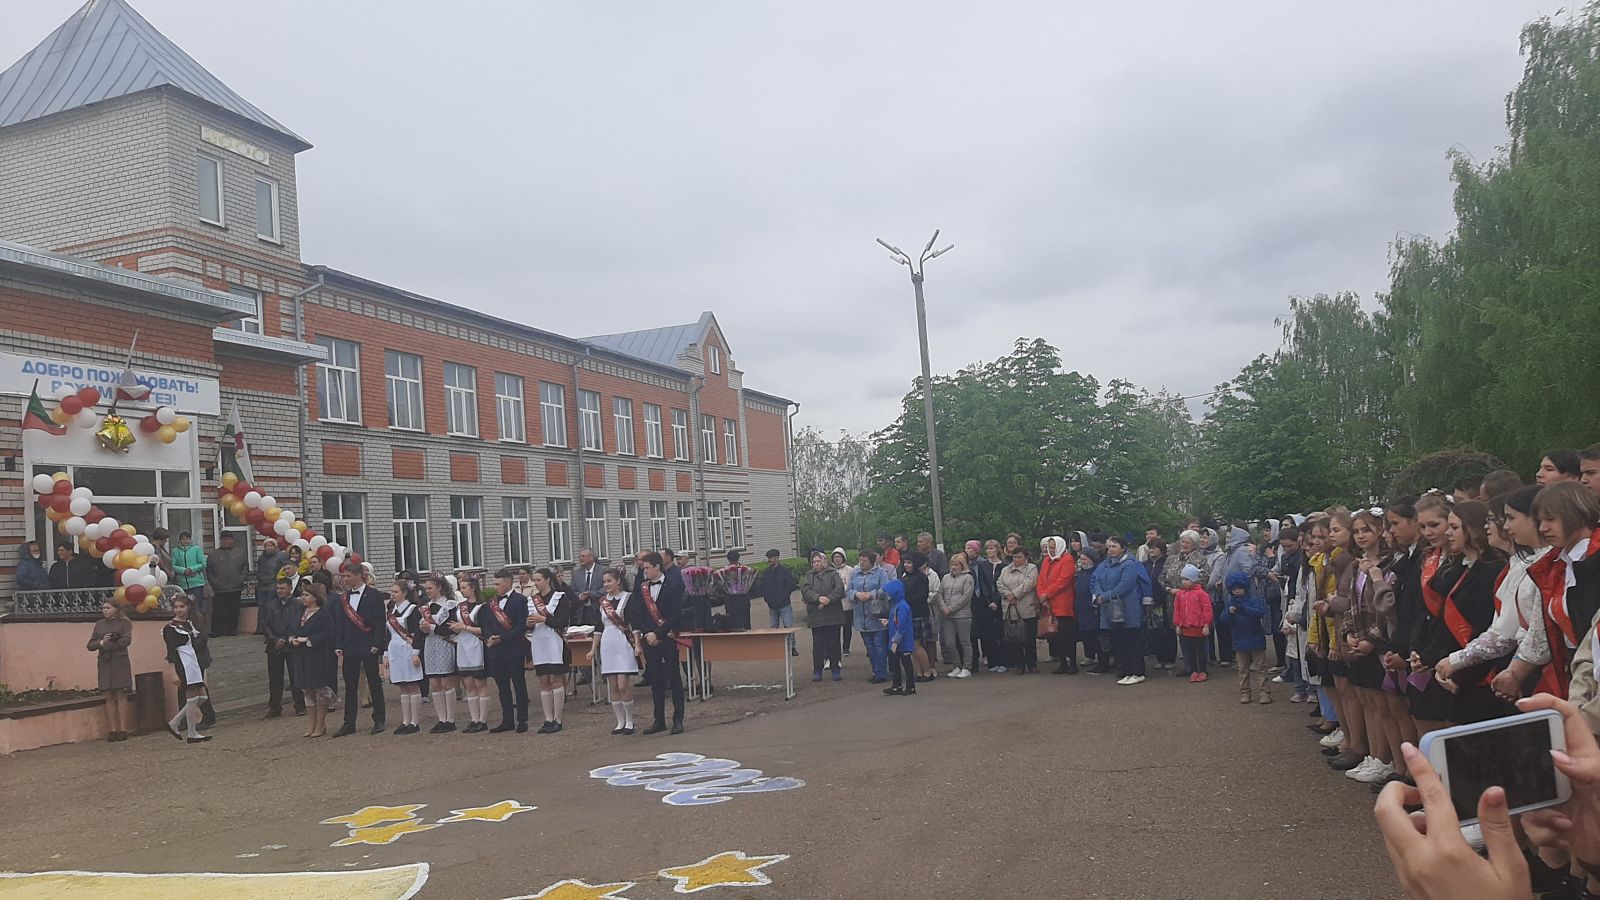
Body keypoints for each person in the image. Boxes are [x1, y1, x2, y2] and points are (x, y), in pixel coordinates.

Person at [626, 552, 686, 734]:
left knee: (674, 678)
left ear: (657, 567)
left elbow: (676, 614)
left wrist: (658, 633)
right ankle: (659, 719)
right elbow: (638, 614)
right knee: (655, 679)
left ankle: (678, 719)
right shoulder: (642, 588)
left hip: (667, 637)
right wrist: (648, 633)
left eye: (647, 568)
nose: (645, 571)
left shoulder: (673, 585)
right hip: (649, 639)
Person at [332, 562, 386, 736]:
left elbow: (380, 621)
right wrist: (338, 645)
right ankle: (349, 722)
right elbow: (339, 623)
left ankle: (379, 719)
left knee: (374, 683)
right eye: (344, 576)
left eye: (348, 576)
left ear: (358, 576)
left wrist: (377, 643)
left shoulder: (374, 595)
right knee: (350, 686)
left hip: (369, 645)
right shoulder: (344, 598)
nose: (345, 579)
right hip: (349, 646)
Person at [526, 566, 574, 734]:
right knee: (543, 681)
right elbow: (529, 624)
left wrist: (544, 619)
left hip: (554, 642)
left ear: (547, 580)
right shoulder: (532, 600)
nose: (536, 583)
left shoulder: (559, 597)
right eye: (534, 580)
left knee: (556, 679)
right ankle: (547, 719)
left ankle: (558, 719)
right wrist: (529, 624)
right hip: (539, 642)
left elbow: (563, 622)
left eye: (538, 580)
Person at [1093, 536, 1145, 685]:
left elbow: (1125, 586)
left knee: (1132, 641)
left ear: (1123, 548)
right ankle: (1127, 671)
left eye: (1114, 546)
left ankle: (1138, 672)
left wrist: (1105, 596)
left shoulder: (1129, 564)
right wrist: (1099, 594)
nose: (1110, 549)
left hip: (1127, 608)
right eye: (1109, 546)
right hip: (1110, 608)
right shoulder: (1106, 564)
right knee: (1119, 642)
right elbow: (1097, 580)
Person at [485, 568, 531, 733]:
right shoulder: (492, 603)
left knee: (519, 685)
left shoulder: (520, 600)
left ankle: (522, 720)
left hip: (514, 649)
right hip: (496, 651)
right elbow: (488, 623)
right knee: (502, 688)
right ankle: (507, 720)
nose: (495, 587)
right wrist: (491, 636)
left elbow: (521, 626)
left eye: (497, 584)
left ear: (507, 583)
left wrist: (503, 638)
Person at [289, 581, 337, 739]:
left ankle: (321, 724)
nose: (303, 597)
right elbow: (291, 628)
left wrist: (309, 639)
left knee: (318, 688)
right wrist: (292, 639)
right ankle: (311, 724)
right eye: (302, 595)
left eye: (306, 595)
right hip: (300, 655)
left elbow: (328, 633)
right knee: (306, 689)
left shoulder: (323, 614)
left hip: (317, 655)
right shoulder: (299, 612)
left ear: (315, 597)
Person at [595, 568, 640, 734]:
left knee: (623, 685)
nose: (606, 584)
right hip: (608, 643)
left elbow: (634, 624)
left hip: (623, 641)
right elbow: (598, 627)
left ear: (618, 581)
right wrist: (593, 649)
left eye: (609, 581)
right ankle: (620, 721)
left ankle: (630, 720)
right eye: (604, 582)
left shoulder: (628, 598)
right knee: (612, 685)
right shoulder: (602, 602)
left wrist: (637, 645)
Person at [163, 594, 211, 744]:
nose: (179, 610)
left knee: (202, 697)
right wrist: (173, 672)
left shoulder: (189, 624)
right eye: (176, 607)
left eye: (182, 606)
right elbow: (171, 651)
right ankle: (192, 733)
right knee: (191, 697)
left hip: (193, 662)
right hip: (183, 663)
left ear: (188, 607)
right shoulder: (170, 628)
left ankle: (175, 722)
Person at [261, 571, 306, 718]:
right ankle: (275, 706)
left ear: (290, 589)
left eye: (282, 588)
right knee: (275, 678)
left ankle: (299, 705)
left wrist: (286, 639)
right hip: (274, 645)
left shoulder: (298, 605)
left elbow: (298, 623)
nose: (279, 591)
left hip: (291, 644)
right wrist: (274, 639)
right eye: (278, 588)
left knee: (295, 676)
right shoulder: (270, 605)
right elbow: (264, 624)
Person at [384, 578, 425, 735]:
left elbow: (417, 633)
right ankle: (405, 720)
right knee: (402, 686)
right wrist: (386, 655)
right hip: (395, 650)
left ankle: (415, 722)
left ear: (405, 593)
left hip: (408, 649)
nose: (393, 594)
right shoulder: (391, 610)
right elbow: (387, 634)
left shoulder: (413, 610)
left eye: (396, 591)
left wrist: (416, 653)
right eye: (392, 591)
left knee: (412, 685)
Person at [1220, 572, 1270, 704]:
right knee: (1242, 669)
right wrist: (1229, 613)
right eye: (1234, 589)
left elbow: (1259, 613)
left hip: (1256, 638)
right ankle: (1245, 692)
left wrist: (1243, 609)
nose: (1237, 591)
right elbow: (1223, 620)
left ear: (1245, 587)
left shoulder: (1254, 600)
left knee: (1261, 668)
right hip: (1239, 639)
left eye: (1239, 588)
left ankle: (1264, 692)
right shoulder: (1230, 603)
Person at [87, 600, 132, 741]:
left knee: (121, 693)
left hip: (119, 661)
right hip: (105, 661)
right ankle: (112, 729)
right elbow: (90, 645)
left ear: (115, 609)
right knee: (108, 694)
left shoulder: (124, 623)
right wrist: (101, 642)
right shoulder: (99, 624)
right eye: (103, 608)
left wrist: (111, 642)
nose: (105, 610)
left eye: (108, 608)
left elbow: (126, 641)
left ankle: (123, 728)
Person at [452, 575, 491, 733]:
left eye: (464, 587)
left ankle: (483, 719)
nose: (461, 590)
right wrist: (455, 628)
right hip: (463, 646)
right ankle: (474, 719)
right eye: (460, 587)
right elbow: (456, 625)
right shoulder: (459, 607)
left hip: (477, 646)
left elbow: (485, 629)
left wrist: (465, 627)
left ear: (473, 588)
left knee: (480, 684)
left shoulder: (482, 607)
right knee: (468, 684)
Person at [801, 551, 847, 682]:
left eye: (818, 561)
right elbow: (805, 591)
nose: (816, 564)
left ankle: (835, 669)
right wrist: (818, 598)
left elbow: (840, 589)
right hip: (816, 615)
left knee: (834, 643)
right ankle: (817, 670)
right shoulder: (809, 576)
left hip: (833, 614)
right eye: (814, 562)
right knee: (818, 645)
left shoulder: (833, 573)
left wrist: (829, 599)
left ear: (824, 561)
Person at [850, 549, 892, 684]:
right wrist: (856, 594)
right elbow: (848, 590)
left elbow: (886, 589)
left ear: (872, 562)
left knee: (879, 645)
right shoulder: (854, 573)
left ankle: (882, 673)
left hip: (876, 615)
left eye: (865, 561)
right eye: (860, 560)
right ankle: (875, 671)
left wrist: (871, 594)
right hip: (861, 616)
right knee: (869, 647)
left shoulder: (881, 573)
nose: (861, 563)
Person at [1037, 536, 1077, 675]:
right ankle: (1062, 663)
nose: (1051, 550)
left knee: (1067, 635)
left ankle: (1072, 663)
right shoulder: (1047, 560)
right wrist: (1042, 596)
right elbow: (1041, 579)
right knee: (1056, 636)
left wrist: (1046, 594)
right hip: (1048, 603)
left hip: (1063, 603)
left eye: (1053, 547)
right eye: (1050, 547)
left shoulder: (1067, 559)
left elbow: (1063, 581)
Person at [997, 547, 1040, 675]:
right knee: (1015, 639)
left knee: (1029, 638)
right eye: (1015, 557)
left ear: (1026, 558)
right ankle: (1019, 665)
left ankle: (1032, 663)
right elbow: (999, 584)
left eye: (1019, 557)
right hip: (1010, 609)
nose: (1016, 559)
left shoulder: (1032, 568)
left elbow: (1029, 584)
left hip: (1027, 608)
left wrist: (1015, 594)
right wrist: (1008, 595)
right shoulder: (1005, 570)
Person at [936, 551, 974, 678]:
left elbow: (966, 597)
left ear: (962, 565)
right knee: (949, 642)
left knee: (965, 642)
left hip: (962, 615)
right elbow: (939, 593)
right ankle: (956, 665)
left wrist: (951, 608)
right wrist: (943, 607)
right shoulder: (946, 578)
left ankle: (967, 667)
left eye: (956, 565)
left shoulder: (968, 578)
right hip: (947, 615)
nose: (953, 567)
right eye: (952, 564)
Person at [1172, 565, 1212, 682]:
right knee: (1189, 652)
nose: (1184, 582)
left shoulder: (1202, 594)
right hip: (1185, 628)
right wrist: (1177, 625)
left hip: (1199, 628)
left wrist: (1206, 624)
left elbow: (1207, 609)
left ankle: (1203, 670)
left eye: (1187, 579)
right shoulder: (1180, 594)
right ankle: (1194, 670)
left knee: (1201, 652)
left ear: (1194, 579)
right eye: (1183, 579)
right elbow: (1177, 610)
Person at [204, 532, 247, 637]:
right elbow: (209, 571)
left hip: (236, 587)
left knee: (234, 609)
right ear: (220, 541)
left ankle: (231, 630)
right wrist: (215, 582)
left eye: (228, 539)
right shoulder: (213, 555)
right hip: (219, 588)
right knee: (218, 610)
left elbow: (245, 567)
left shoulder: (240, 553)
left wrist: (241, 579)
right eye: (224, 539)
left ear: (232, 540)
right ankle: (217, 630)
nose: (226, 541)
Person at [759, 549, 799, 656]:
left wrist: (783, 597)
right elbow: (763, 587)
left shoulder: (785, 571)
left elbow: (790, 585)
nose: (769, 560)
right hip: (772, 605)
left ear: (777, 558)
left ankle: (792, 647)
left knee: (788, 626)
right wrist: (767, 599)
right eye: (768, 558)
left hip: (784, 604)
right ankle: (775, 647)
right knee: (773, 627)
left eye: (771, 558)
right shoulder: (766, 573)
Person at [1143, 538, 1175, 670]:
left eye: (1154, 548)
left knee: (1167, 630)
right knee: (1154, 631)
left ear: (1161, 550)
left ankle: (1170, 658)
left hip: (1164, 601)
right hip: (1149, 602)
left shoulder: (1167, 563)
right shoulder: (1145, 564)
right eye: (1150, 548)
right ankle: (1160, 658)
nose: (1151, 550)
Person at [882, 579, 916, 696]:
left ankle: (910, 686)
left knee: (906, 664)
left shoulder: (902, 607)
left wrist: (895, 641)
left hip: (903, 642)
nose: (887, 595)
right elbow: (896, 622)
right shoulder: (895, 605)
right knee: (894, 664)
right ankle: (897, 686)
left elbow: (902, 626)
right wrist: (888, 622)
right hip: (895, 640)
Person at [1073, 539, 1102, 673]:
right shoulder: (1081, 572)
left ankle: (1100, 659)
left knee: (1096, 634)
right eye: (1081, 559)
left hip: (1093, 608)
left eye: (1084, 559)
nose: (1082, 561)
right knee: (1085, 633)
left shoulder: (1097, 571)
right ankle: (1089, 655)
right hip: (1081, 607)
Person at [716, 550, 755, 631]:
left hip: (743, 603)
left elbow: (751, 585)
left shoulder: (745, 570)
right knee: (732, 626)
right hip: (731, 604)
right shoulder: (724, 572)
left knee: (745, 625)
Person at [171, 530, 207, 615]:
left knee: (197, 607)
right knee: (184, 607)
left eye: (187, 539)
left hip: (196, 584)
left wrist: (192, 569)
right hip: (182, 584)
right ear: (180, 540)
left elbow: (203, 563)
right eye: (183, 539)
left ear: (190, 539)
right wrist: (184, 570)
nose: (185, 541)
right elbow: (173, 565)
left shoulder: (196, 549)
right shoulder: (175, 551)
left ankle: (197, 622)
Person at [831, 548, 855, 657]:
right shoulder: (830, 570)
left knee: (847, 627)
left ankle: (846, 648)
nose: (837, 559)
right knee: (835, 628)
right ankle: (835, 647)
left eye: (839, 557)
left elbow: (851, 584)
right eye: (835, 557)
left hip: (847, 604)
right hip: (834, 604)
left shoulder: (850, 570)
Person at [255, 537, 287, 609]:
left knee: (272, 606)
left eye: (271, 545)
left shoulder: (281, 556)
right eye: (267, 546)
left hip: (274, 586)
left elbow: (285, 569)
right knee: (262, 607)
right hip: (261, 586)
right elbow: (259, 570)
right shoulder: (261, 558)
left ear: (275, 546)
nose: (269, 547)